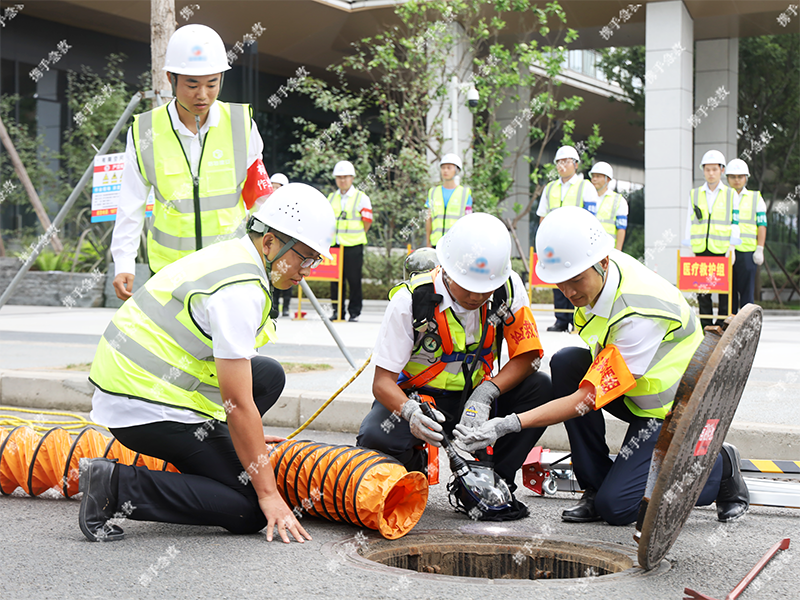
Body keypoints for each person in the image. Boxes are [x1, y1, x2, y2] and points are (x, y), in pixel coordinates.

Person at [455, 207, 749, 526]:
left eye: (575, 281)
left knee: (618, 508)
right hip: (635, 393)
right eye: (559, 284)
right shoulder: (598, 269)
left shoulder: (639, 311)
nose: (568, 292)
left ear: (603, 263)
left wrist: (506, 424)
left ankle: (720, 468)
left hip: (669, 410)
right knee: (567, 361)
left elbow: (586, 399)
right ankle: (596, 486)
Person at [79, 183, 335, 544]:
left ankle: (210, 449)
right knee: (247, 507)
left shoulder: (236, 256)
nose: (307, 269)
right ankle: (115, 486)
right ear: (270, 243)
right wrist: (269, 494)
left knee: (268, 376)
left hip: (142, 382)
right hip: (141, 403)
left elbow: (243, 386)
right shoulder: (239, 290)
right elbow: (238, 403)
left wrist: (247, 440)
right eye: (304, 257)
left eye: (314, 260)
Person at [356, 213, 553, 514]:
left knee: (539, 388)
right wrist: (410, 413)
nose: (476, 296)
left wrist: (486, 394)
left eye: (483, 289)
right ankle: (411, 463)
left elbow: (528, 356)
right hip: (421, 400)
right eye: (467, 286)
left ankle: (492, 478)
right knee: (376, 434)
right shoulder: (412, 301)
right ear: (445, 269)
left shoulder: (506, 288)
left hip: (477, 401)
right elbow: (382, 383)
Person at [111, 24, 274, 301]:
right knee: (171, 345)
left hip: (231, 269)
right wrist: (124, 263)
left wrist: (275, 250)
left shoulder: (241, 125)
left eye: (212, 84)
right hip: (170, 274)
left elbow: (259, 195)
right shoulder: (145, 132)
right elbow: (131, 203)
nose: (203, 95)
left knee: (231, 345)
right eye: (192, 85)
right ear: (170, 78)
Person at [537, 145, 598, 332]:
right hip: (555, 243)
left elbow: (591, 216)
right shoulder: (550, 188)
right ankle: (561, 320)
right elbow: (543, 215)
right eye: (559, 162)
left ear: (576, 164)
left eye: (566, 161)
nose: (562, 165)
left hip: (576, 242)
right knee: (559, 279)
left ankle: (577, 320)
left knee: (578, 279)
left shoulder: (585, 187)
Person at [683, 150, 740, 328]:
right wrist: (689, 243)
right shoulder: (695, 194)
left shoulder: (731, 195)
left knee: (724, 290)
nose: (711, 173)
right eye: (707, 169)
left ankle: (722, 324)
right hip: (701, 248)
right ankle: (705, 324)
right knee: (702, 289)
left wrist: (732, 246)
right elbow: (689, 220)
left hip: (722, 248)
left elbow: (735, 222)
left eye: (714, 169)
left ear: (722, 170)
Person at [328, 160, 372, 322]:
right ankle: (337, 312)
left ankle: (354, 312)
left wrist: (357, 234)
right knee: (334, 281)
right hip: (335, 244)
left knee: (353, 280)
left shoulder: (361, 198)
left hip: (354, 244)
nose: (342, 180)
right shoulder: (331, 197)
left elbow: (367, 222)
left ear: (352, 178)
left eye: (345, 177)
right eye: (339, 177)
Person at [726, 159, 767, 313]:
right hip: (726, 250)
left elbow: (761, 224)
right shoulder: (723, 197)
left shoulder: (755, 198)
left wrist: (760, 248)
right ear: (728, 178)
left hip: (747, 251)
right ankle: (728, 328)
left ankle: (746, 328)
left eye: (740, 176)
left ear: (746, 178)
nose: (736, 180)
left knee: (746, 294)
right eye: (733, 177)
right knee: (728, 293)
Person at [424, 154, 473, 247]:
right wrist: (428, 242)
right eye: (443, 167)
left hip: (456, 244)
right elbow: (428, 219)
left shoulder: (465, 194)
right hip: (436, 244)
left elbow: (468, 221)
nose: (445, 170)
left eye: (449, 168)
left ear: (457, 170)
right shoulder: (433, 192)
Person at [589, 161, 628, 251]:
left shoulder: (619, 201)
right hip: (589, 249)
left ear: (608, 179)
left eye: (598, 176)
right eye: (593, 176)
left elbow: (621, 229)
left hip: (608, 250)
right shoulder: (587, 197)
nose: (594, 179)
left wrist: (618, 252)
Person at [269, 173, 293, 317]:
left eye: (278, 187)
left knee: (288, 276)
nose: (275, 189)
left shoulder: (291, 206)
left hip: (288, 247)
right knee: (274, 277)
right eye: (272, 186)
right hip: (274, 247)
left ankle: (286, 307)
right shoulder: (266, 205)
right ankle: (274, 307)